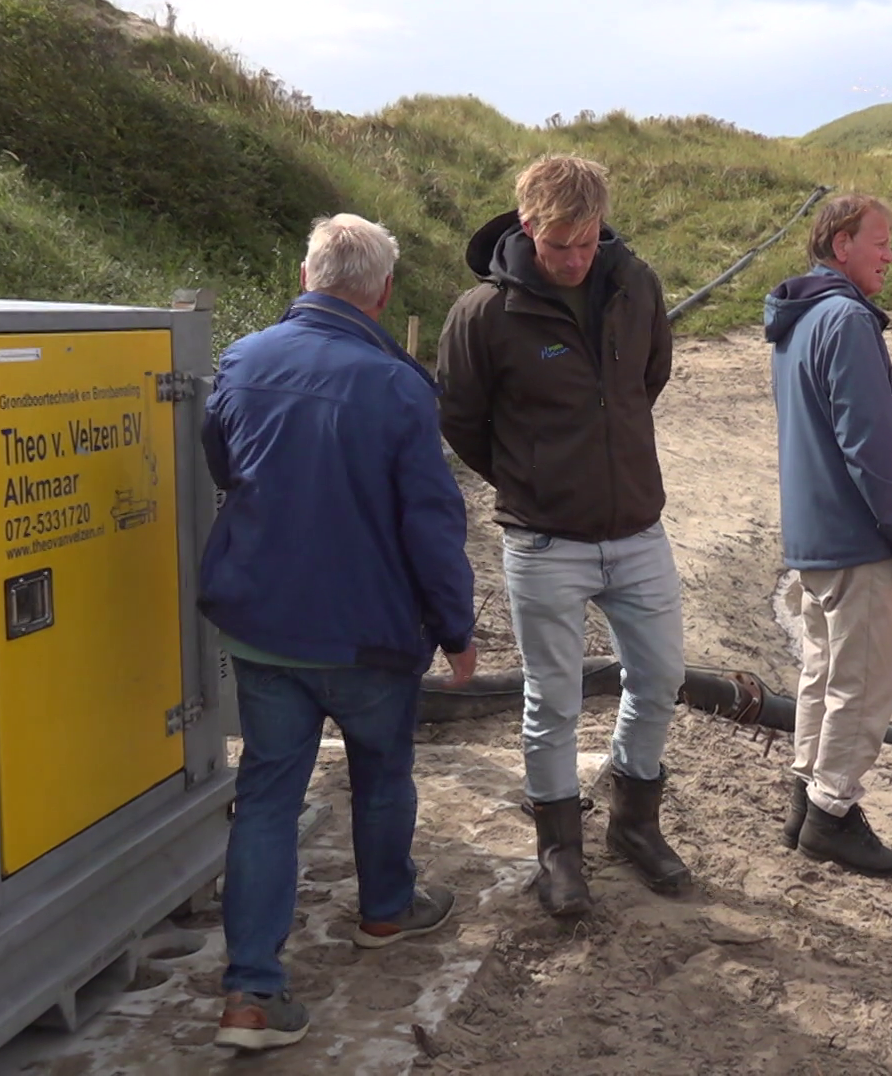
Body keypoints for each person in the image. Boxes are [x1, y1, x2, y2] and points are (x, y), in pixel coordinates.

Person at [199, 214, 478, 1050]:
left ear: (305, 273)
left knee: (268, 801)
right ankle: (386, 912)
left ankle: (251, 992)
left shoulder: (243, 359)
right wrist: (459, 628)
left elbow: (224, 462)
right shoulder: (398, 386)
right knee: (383, 774)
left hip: (264, 623)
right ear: (384, 292)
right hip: (368, 632)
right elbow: (432, 523)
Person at [437, 155, 687, 918]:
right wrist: (532, 477)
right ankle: (558, 853)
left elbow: (650, 376)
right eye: (558, 246)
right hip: (544, 543)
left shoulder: (636, 285)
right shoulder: (482, 314)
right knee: (552, 698)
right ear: (526, 226)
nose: (574, 260)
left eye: (585, 243)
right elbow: (462, 420)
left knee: (661, 678)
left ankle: (634, 825)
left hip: (638, 530)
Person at [764, 194, 892, 878]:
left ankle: (806, 799)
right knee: (861, 686)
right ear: (839, 246)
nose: (891, 254)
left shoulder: (798, 321)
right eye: (880, 241)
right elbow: (868, 443)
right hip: (856, 537)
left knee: (824, 672)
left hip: (813, 534)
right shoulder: (846, 320)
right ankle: (832, 814)